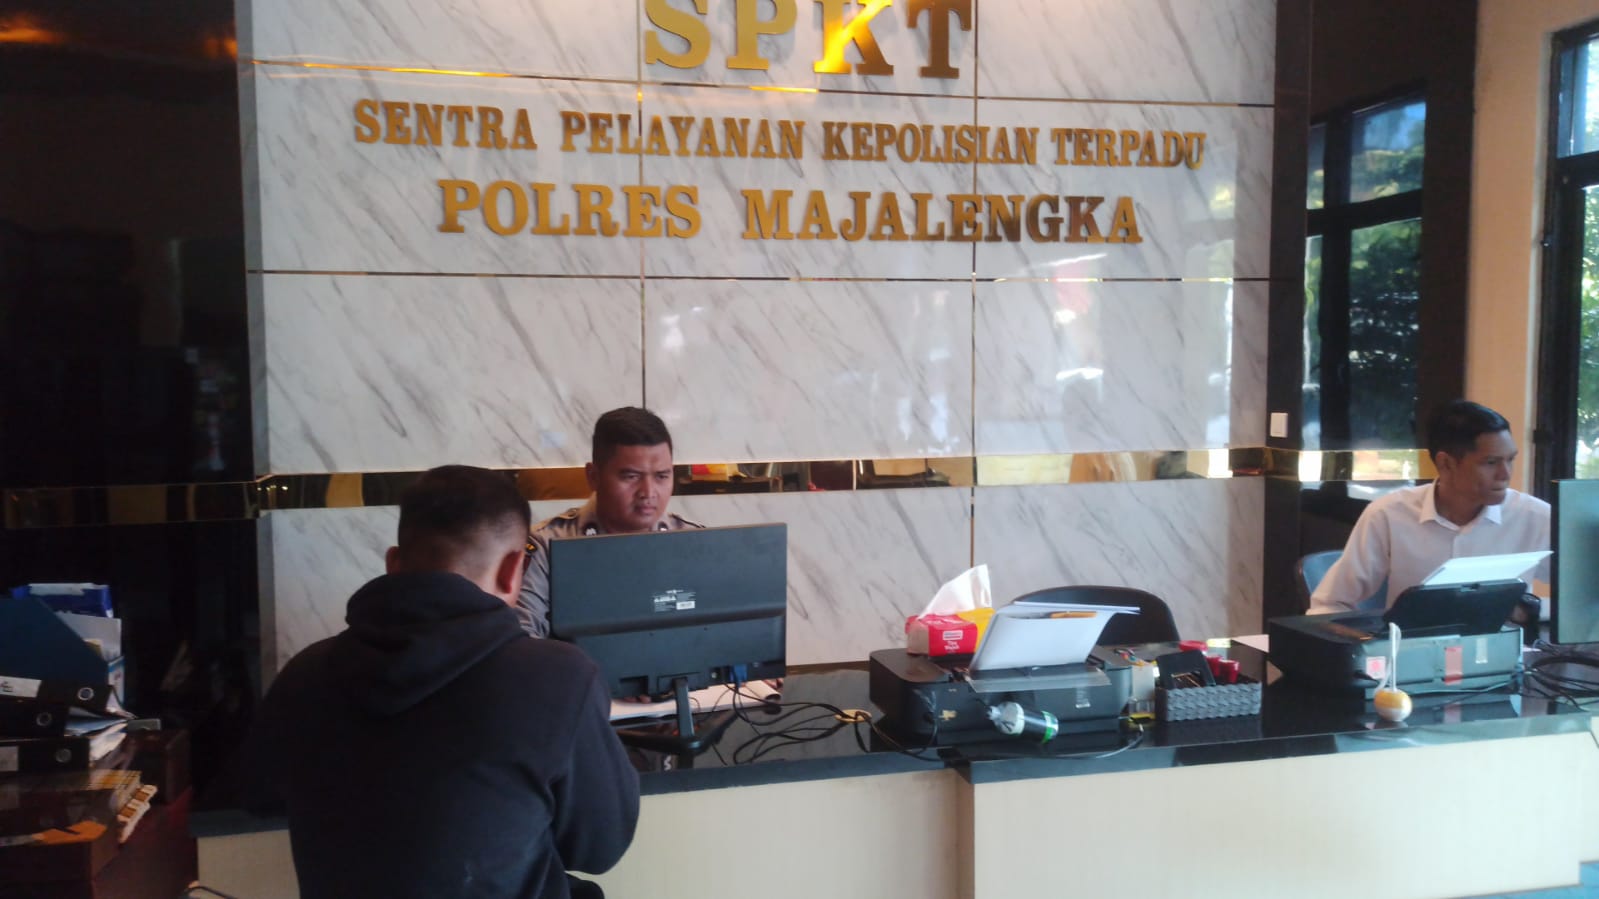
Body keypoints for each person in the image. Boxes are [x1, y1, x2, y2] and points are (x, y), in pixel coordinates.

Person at [243, 465, 639, 899]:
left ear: (393, 563)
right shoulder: (558, 679)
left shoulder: (303, 675)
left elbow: (260, 798)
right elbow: (599, 847)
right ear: (514, 571)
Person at [1308, 400, 1550, 615]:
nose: (1505, 474)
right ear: (1446, 463)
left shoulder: (1535, 517)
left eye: (1510, 460)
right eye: (1490, 462)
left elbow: (1571, 602)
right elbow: (1329, 604)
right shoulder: (1389, 515)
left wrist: (1530, 609)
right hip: (1414, 649)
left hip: (1506, 649)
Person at [518, 406, 701, 637]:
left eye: (661, 476)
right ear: (593, 477)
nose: (648, 492)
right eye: (631, 477)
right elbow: (521, 638)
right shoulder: (545, 547)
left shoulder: (695, 543)